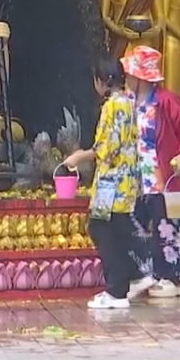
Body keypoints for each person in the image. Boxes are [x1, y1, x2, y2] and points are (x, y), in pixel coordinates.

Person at [120, 46, 180, 298]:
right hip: (139, 180)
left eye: (130, 74)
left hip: (167, 178)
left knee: (172, 227)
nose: (127, 78)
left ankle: (173, 278)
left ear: (140, 77)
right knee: (139, 224)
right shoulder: (128, 103)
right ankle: (151, 274)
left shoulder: (166, 101)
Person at [62, 57, 142, 310]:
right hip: (127, 179)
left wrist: (78, 156)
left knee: (99, 228)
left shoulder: (111, 107)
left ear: (100, 81)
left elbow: (106, 148)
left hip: (111, 183)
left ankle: (116, 291)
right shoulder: (129, 102)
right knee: (118, 229)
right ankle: (136, 275)